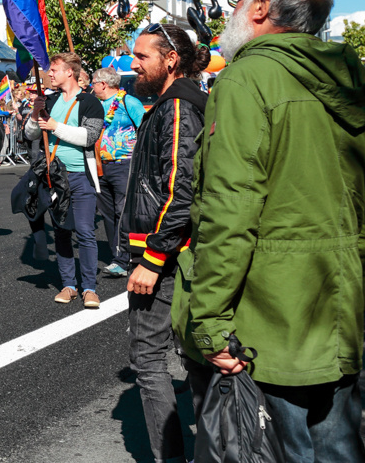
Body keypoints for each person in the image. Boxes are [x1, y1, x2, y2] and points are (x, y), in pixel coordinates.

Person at [173, 0, 365, 461]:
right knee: (339, 447)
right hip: (341, 311)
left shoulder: (247, 79)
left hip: (272, 319)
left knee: (277, 447)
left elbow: (228, 212)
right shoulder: (351, 80)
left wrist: (209, 322)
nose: (232, 9)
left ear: (260, 7)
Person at [118, 23, 208, 463]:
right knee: (193, 357)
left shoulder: (177, 107)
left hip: (166, 255)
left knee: (150, 360)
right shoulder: (174, 103)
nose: (133, 64)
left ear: (170, 59)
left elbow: (180, 189)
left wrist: (152, 258)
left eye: (142, 56)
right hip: (169, 250)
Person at [24, 52, 104, 308]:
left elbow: (89, 137)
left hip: (81, 176)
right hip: (54, 177)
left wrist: (55, 126)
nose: (49, 74)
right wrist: (35, 115)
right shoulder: (49, 100)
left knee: (85, 231)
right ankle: (69, 285)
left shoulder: (90, 101)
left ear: (70, 71)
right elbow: (30, 134)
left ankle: (89, 288)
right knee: (61, 230)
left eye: (54, 69)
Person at [92, 67, 145, 277]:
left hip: (124, 164)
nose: (92, 87)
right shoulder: (95, 105)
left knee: (123, 212)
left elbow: (145, 130)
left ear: (103, 84)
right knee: (107, 213)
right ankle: (117, 255)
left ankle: (124, 259)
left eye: (94, 83)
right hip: (100, 165)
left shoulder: (128, 102)